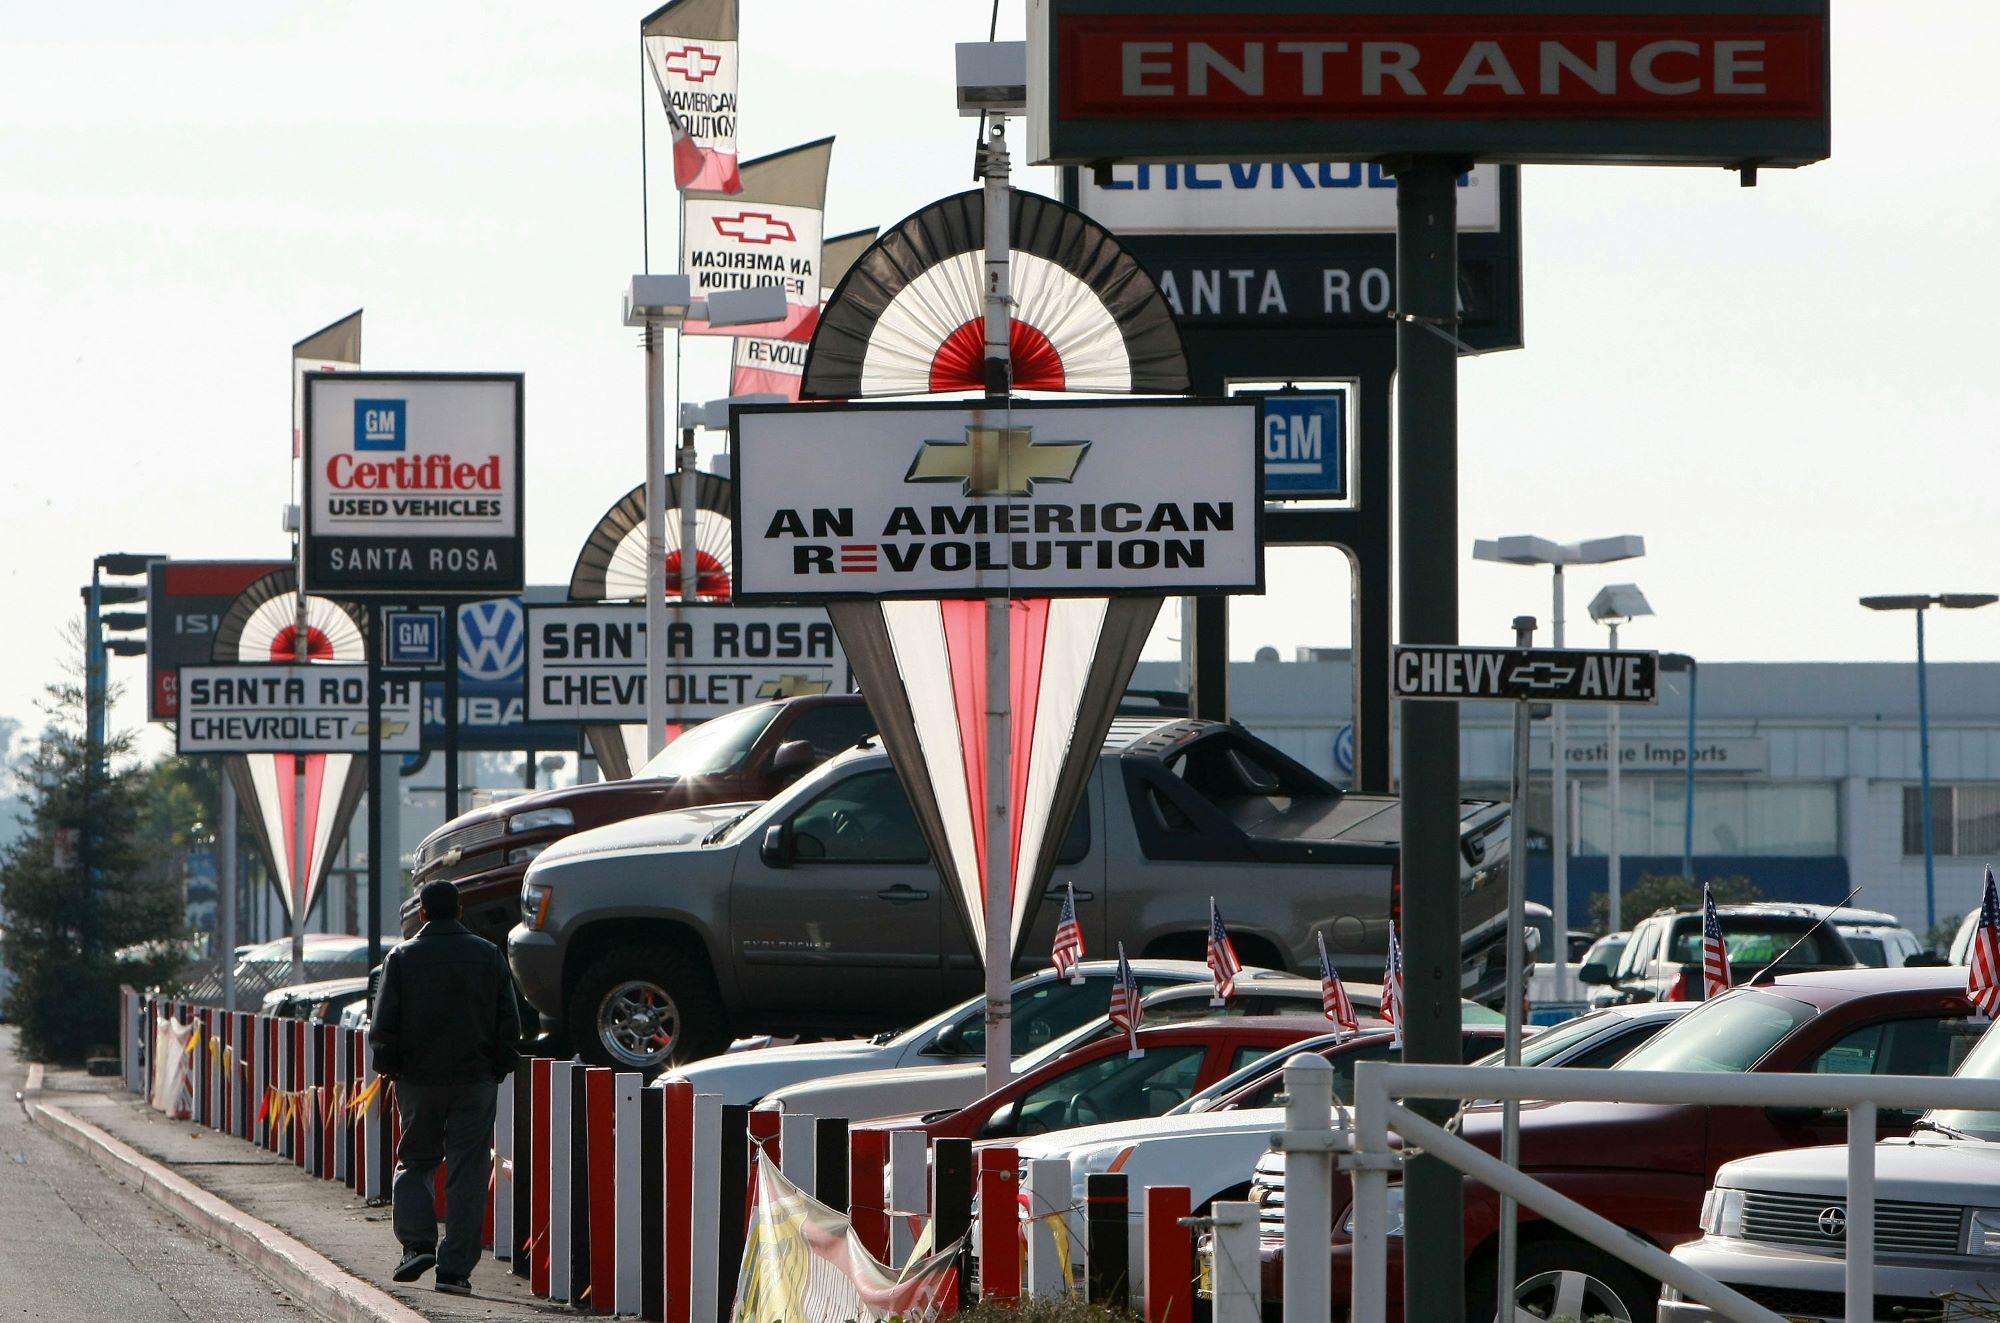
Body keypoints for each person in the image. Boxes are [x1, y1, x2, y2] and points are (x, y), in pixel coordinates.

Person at [369, 879, 519, 1295]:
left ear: (422, 913)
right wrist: (499, 1066)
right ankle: (455, 1270)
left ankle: (417, 1244)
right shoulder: (487, 954)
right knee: (469, 1170)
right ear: (460, 910)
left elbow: (384, 1023)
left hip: (419, 1080)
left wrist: (391, 1067)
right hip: (475, 1079)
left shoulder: (402, 957)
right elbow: (509, 1020)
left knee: (415, 1161)